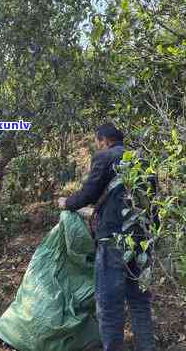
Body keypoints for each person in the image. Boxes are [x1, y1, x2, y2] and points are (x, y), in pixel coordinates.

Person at [57, 123, 155, 351]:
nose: (97, 146)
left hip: (113, 241)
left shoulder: (104, 158)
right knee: (139, 301)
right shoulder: (143, 160)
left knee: (109, 305)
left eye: (97, 142)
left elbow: (88, 193)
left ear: (103, 140)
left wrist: (66, 203)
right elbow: (151, 202)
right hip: (141, 240)